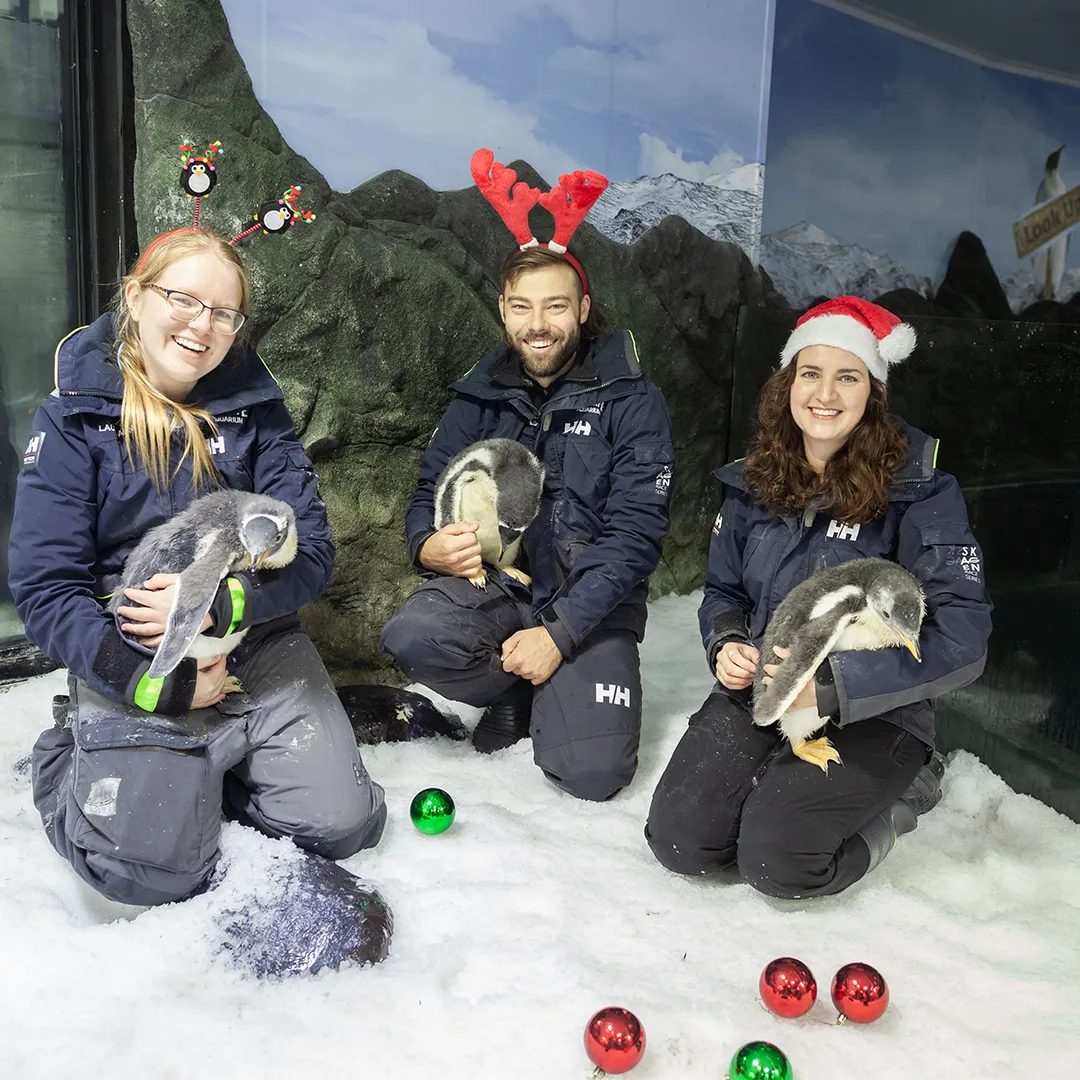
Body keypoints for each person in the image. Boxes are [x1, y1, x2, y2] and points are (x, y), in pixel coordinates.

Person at [9, 229, 386, 907]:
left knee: (341, 825)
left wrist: (220, 606)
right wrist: (157, 686)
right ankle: (69, 757)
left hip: (255, 637)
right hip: (137, 646)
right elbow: (44, 589)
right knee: (149, 871)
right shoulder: (73, 421)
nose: (201, 325)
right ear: (136, 296)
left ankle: (219, 768)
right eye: (182, 299)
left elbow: (314, 556)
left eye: (223, 312)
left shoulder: (258, 417)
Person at [646, 296, 992, 898]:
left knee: (781, 863)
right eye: (811, 373)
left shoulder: (922, 493)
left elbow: (962, 638)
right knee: (681, 841)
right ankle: (776, 786)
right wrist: (726, 642)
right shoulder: (754, 481)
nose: (825, 393)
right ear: (788, 383)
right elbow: (723, 592)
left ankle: (909, 790)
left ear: (873, 392)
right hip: (769, 688)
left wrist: (831, 686)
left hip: (873, 710)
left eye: (848, 376)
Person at [380, 246, 674, 801]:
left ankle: (553, 685)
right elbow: (428, 489)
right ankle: (513, 689)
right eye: (521, 307)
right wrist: (427, 545)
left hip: (589, 609)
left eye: (555, 306)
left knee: (593, 773)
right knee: (414, 636)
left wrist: (558, 634)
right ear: (503, 309)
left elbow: (636, 537)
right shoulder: (481, 392)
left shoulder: (633, 399)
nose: (537, 325)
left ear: (583, 308)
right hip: (501, 589)